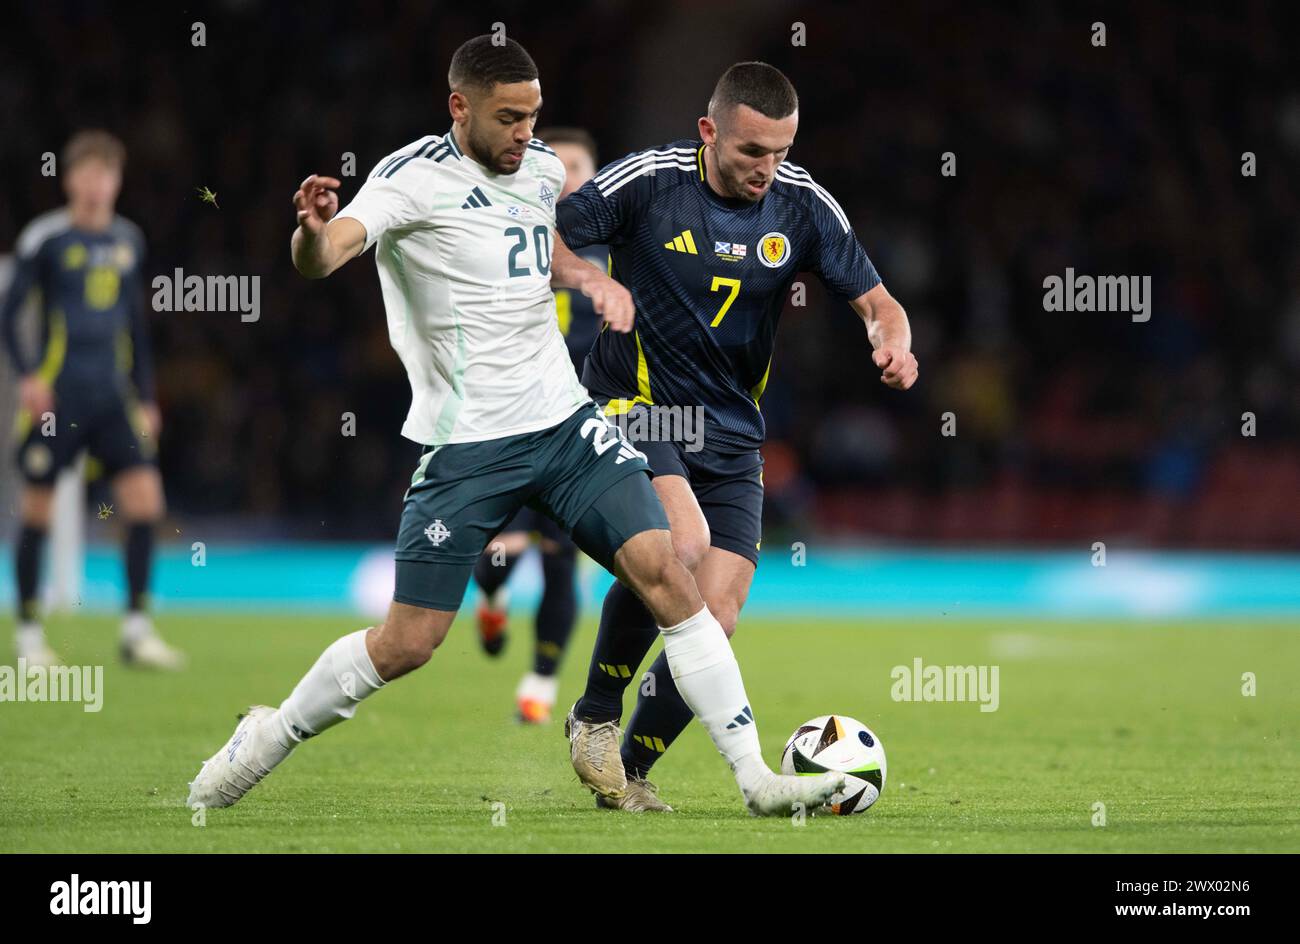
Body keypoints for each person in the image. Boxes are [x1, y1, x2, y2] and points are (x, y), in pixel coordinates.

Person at [186, 36, 844, 817]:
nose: (527, 135)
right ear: (459, 107)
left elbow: (545, 253)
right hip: (468, 444)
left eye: (534, 116)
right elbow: (325, 257)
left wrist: (591, 278)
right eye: (509, 118)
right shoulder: (409, 179)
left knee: (670, 567)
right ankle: (268, 735)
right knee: (409, 642)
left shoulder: (538, 171)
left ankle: (753, 777)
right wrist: (309, 230)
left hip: (565, 423)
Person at [552, 61, 918, 811]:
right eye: (752, 151)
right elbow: (546, 235)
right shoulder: (649, 182)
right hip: (637, 404)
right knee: (677, 545)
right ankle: (592, 710)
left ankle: (629, 773)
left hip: (730, 433)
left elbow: (879, 299)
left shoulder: (802, 205)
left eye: (781, 151)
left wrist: (893, 341)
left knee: (714, 618)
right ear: (709, 131)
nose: (767, 169)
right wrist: (588, 280)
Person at [2, 130, 183, 670]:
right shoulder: (46, 240)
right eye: (88, 174)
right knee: (36, 510)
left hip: (112, 397)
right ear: (70, 179)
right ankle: (30, 637)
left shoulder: (129, 240)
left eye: (107, 175)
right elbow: (10, 315)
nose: (97, 185)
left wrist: (146, 396)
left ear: (117, 182)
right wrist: (29, 375)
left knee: (145, 503)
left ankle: (135, 629)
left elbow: (134, 323)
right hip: (57, 399)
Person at [470, 127, 607, 725]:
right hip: (507, 419)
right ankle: (494, 596)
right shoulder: (507, 237)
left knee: (559, 558)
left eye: (580, 167)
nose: (570, 177)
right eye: (560, 165)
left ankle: (542, 684)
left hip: (573, 426)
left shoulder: (614, 251)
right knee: (498, 551)